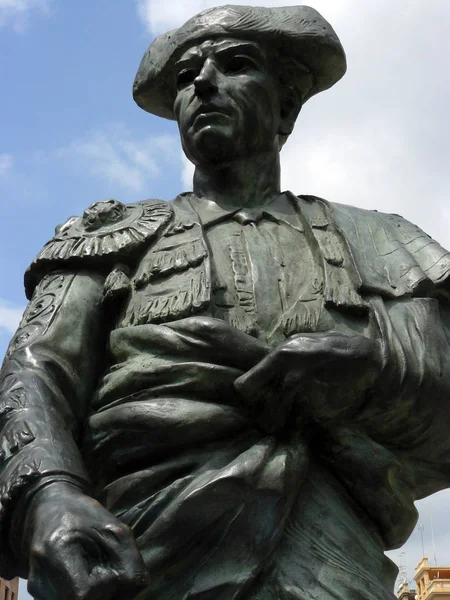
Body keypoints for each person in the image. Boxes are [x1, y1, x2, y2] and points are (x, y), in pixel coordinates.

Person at [1, 5, 450, 600]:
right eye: (187, 75)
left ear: (287, 104)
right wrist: (49, 494)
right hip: (139, 555)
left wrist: (369, 371)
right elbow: (34, 377)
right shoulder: (112, 238)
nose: (203, 84)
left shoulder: (383, 243)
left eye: (235, 64)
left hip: (331, 562)